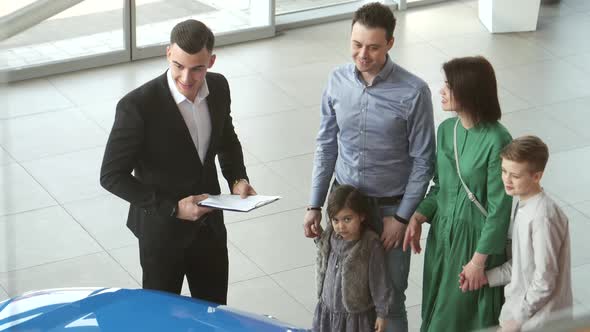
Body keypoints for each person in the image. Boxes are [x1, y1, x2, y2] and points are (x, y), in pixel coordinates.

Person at [100, 19, 256, 304]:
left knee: (213, 312)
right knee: (161, 316)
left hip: (209, 227)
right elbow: (111, 175)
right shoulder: (137, 106)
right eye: (179, 66)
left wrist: (238, 179)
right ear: (168, 53)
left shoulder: (219, 87)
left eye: (197, 68)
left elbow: (226, 138)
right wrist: (172, 208)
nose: (186, 78)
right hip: (161, 232)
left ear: (211, 61)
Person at [303, 3, 435, 331]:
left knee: (388, 302)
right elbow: (326, 146)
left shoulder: (414, 92)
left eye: (373, 47)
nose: (363, 54)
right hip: (345, 207)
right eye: (356, 45)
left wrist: (402, 217)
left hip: (390, 211)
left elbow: (423, 161)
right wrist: (314, 205)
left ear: (390, 43)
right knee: (339, 296)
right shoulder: (336, 81)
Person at [403, 56, 513, 331]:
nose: (442, 90)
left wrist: (478, 261)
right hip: (442, 238)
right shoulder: (445, 130)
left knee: (454, 320)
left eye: (449, 85)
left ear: (469, 90)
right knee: (433, 308)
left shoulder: (497, 139)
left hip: (474, 244)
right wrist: (419, 215)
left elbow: (499, 209)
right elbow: (440, 186)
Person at [461, 135, 572, 332]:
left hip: (539, 322)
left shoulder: (543, 216)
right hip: (520, 315)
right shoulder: (523, 205)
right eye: (504, 171)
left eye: (515, 175)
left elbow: (545, 278)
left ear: (536, 176)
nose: (506, 180)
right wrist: (487, 277)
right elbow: (524, 265)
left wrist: (517, 319)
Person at [313, 184, 393, 332]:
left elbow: (379, 281)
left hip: (354, 319)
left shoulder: (370, 244)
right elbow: (322, 258)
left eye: (347, 219)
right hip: (328, 310)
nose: (341, 226)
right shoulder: (330, 235)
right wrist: (318, 235)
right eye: (335, 220)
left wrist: (382, 314)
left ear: (361, 216)